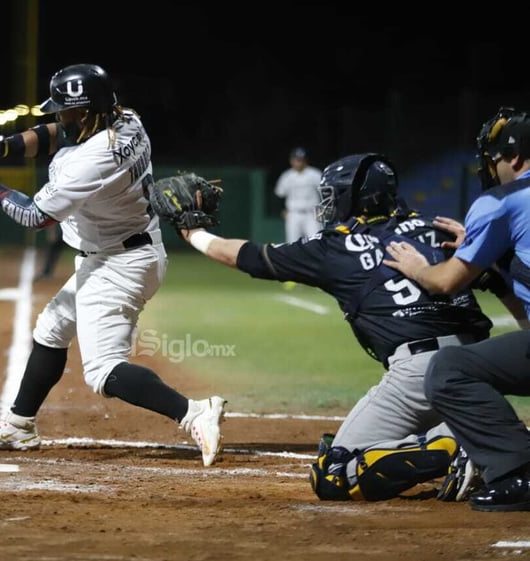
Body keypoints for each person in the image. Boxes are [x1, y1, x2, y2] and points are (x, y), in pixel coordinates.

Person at [168, 153, 503, 500]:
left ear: (354, 198)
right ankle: (475, 434)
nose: (327, 203)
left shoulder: (338, 245)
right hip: (481, 366)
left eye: (333, 195)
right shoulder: (441, 227)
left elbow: (250, 257)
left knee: (335, 473)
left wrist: (192, 232)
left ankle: (453, 446)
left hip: (421, 374)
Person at [0, 63, 226, 466]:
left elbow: (35, 216)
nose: (59, 118)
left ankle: (193, 413)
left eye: (65, 110)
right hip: (120, 251)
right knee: (51, 327)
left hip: (121, 262)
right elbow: (55, 133)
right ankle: (19, 425)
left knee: (102, 371)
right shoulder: (125, 118)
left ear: (84, 112)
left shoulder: (93, 159)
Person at [384, 107, 530, 511]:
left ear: (514, 158)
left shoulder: (501, 201)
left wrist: (420, 267)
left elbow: (446, 282)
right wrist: (492, 259)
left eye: (495, 158)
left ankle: (517, 471)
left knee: (449, 370)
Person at [274, 147, 323, 244]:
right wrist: (282, 210)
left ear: (305, 161)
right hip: (293, 214)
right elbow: (279, 194)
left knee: (315, 241)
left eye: (301, 160)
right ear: (291, 160)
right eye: (296, 159)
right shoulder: (286, 176)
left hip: (312, 214)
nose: (298, 162)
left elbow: (324, 192)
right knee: (292, 244)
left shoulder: (315, 174)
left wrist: (322, 208)